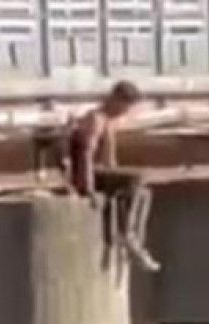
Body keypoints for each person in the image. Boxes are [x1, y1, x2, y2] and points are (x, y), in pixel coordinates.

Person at [65, 79, 158, 272]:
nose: (125, 113)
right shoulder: (95, 119)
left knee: (144, 192)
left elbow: (110, 161)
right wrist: (88, 188)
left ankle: (136, 240)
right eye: (125, 107)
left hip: (100, 173)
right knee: (137, 178)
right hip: (87, 175)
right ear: (115, 99)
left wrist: (120, 178)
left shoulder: (108, 121)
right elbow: (86, 155)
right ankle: (127, 234)